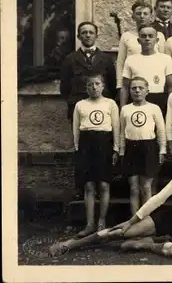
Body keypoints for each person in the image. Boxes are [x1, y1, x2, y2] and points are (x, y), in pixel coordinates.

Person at [49, 142, 172, 259]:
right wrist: (132, 221)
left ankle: (147, 245)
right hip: (171, 216)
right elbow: (158, 199)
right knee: (119, 232)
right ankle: (71, 244)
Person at [59, 21, 117, 199]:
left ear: (96, 35)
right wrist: (77, 103)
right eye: (84, 33)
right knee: (81, 150)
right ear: (78, 37)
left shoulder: (106, 59)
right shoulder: (70, 59)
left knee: (103, 151)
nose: (87, 35)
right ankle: (82, 189)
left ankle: (104, 188)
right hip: (80, 111)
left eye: (91, 32)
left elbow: (113, 86)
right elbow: (64, 87)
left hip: (102, 112)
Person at [72, 73, 120, 237]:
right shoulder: (80, 105)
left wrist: (116, 149)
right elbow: (76, 129)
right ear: (86, 88)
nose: (94, 87)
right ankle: (90, 223)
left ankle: (102, 221)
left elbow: (116, 127)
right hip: (86, 145)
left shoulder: (110, 104)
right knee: (89, 186)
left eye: (97, 84)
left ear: (103, 86)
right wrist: (78, 150)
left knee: (104, 185)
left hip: (104, 143)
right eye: (90, 85)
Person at [120, 77, 167, 216]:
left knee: (146, 187)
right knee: (134, 189)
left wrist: (162, 149)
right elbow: (122, 132)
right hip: (131, 148)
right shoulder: (125, 109)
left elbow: (161, 131)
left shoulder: (154, 108)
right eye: (133, 88)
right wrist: (122, 151)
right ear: (129, 91)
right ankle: (134, 220)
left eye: (141, 88)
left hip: (148, 147)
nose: (137, 91)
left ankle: (146, 220)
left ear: (147, 90)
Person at [120, 24, 172, 117]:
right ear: (138, 41)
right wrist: (122, 109)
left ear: (157, 40)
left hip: (159, 99)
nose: (147, 39)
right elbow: (125, 87)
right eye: (143, 36)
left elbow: (171, 85)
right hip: (136, 100)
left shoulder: (165, 59)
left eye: (150, 36)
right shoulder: (131, 59)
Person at [116, 0, 166, 95]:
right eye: (138, 13)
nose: (142, 16)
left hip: (154, 85)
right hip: (134, 86)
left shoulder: (159, 36)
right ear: (133, 17)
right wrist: (119, 85)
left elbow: (163, 62)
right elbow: (120, 63)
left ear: (151, 17)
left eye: (145, 13)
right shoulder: (126, 36)